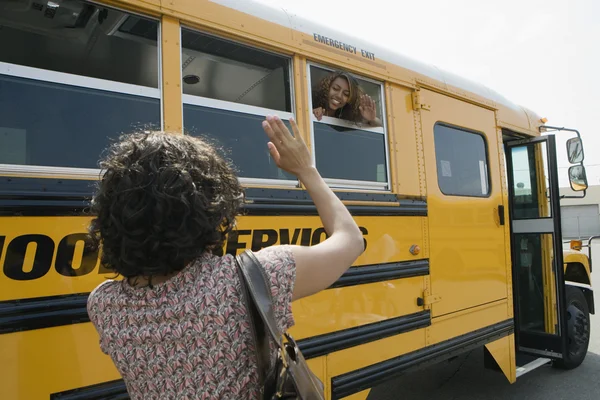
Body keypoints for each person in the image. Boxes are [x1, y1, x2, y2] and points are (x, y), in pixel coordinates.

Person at [86, 116, 365, 399]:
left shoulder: (103, 304)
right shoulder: (253, 277)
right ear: (207, 208)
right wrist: (307, 171)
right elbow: (351, 240)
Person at [311, 70, 382, 127]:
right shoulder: (311, 104)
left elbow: (379, 125)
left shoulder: (346, 118)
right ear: (327, 88)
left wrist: (371, 119)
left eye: (346, 94)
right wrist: (312, 114)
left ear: (349, 99)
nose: (339, 96)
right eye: (335, 89)